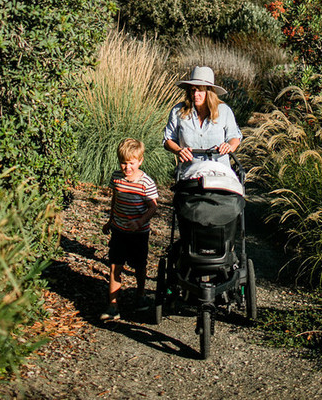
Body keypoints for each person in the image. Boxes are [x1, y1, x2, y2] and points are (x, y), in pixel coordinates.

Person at [101, 138, 158, 320]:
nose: (127, 168)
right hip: (119, 230)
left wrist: (140, 222)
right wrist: (110, 220)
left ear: (140, 161)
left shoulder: (145, 183)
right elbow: (115, 199)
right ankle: (113, 305)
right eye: (124, 163)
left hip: (138, 233)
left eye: (131, 163)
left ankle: (140, 294)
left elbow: (153, 207)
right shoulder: (116, 177)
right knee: (115, 266)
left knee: (139, 266)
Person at [163, 65, 242, 168]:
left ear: (209, 92)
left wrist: (229, 146)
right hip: (189, 172)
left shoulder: (224, 111)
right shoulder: (178, 111)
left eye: (200, 90)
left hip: (220, 172)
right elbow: (168, 139)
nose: (196, 94)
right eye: (193, 90)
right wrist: (179, 150)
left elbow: (234, 137)